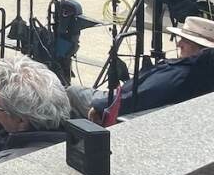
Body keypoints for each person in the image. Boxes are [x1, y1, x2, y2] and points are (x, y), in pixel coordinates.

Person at [67, 15, 214, 124]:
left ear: (202, 49)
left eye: (186, 41)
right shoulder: (197, 70)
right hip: (127, 97)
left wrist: (100, 106)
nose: (179, 44)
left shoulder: (178, 74)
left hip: (116, 104)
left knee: (71, 91)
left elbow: (138, 97)